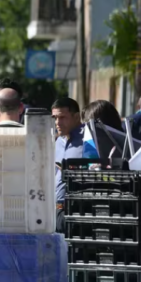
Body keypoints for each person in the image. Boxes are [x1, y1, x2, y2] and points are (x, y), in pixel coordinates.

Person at [52, 97, 84, 233]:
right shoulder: (59, 141)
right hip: (55, 210)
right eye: (55, 118)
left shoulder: (88, 141)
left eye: (62, 117)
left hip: (76, 210)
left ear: (76, 117)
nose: (57, 123)